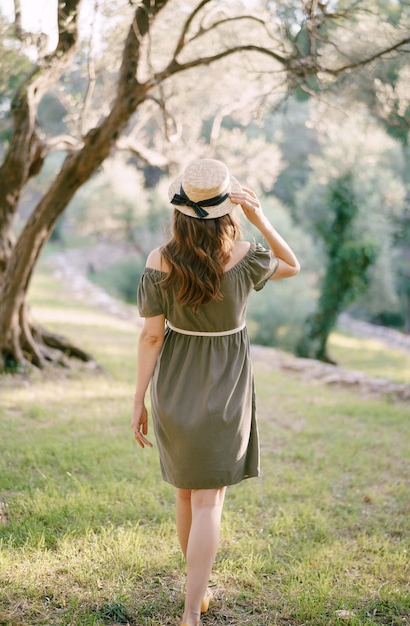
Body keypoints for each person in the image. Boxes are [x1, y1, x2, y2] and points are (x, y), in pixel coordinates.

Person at [131, 158, 300, 626]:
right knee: (209, 501)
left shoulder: (158, 261)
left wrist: (138, 399)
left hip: (173, 390)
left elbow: (150, 337)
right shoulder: (245, 256)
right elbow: (292, 264)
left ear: (181, 211)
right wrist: (261, 218)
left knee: (187, 496)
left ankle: (196, 594)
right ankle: (192, 610)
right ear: (228, 209)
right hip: (226, 390)